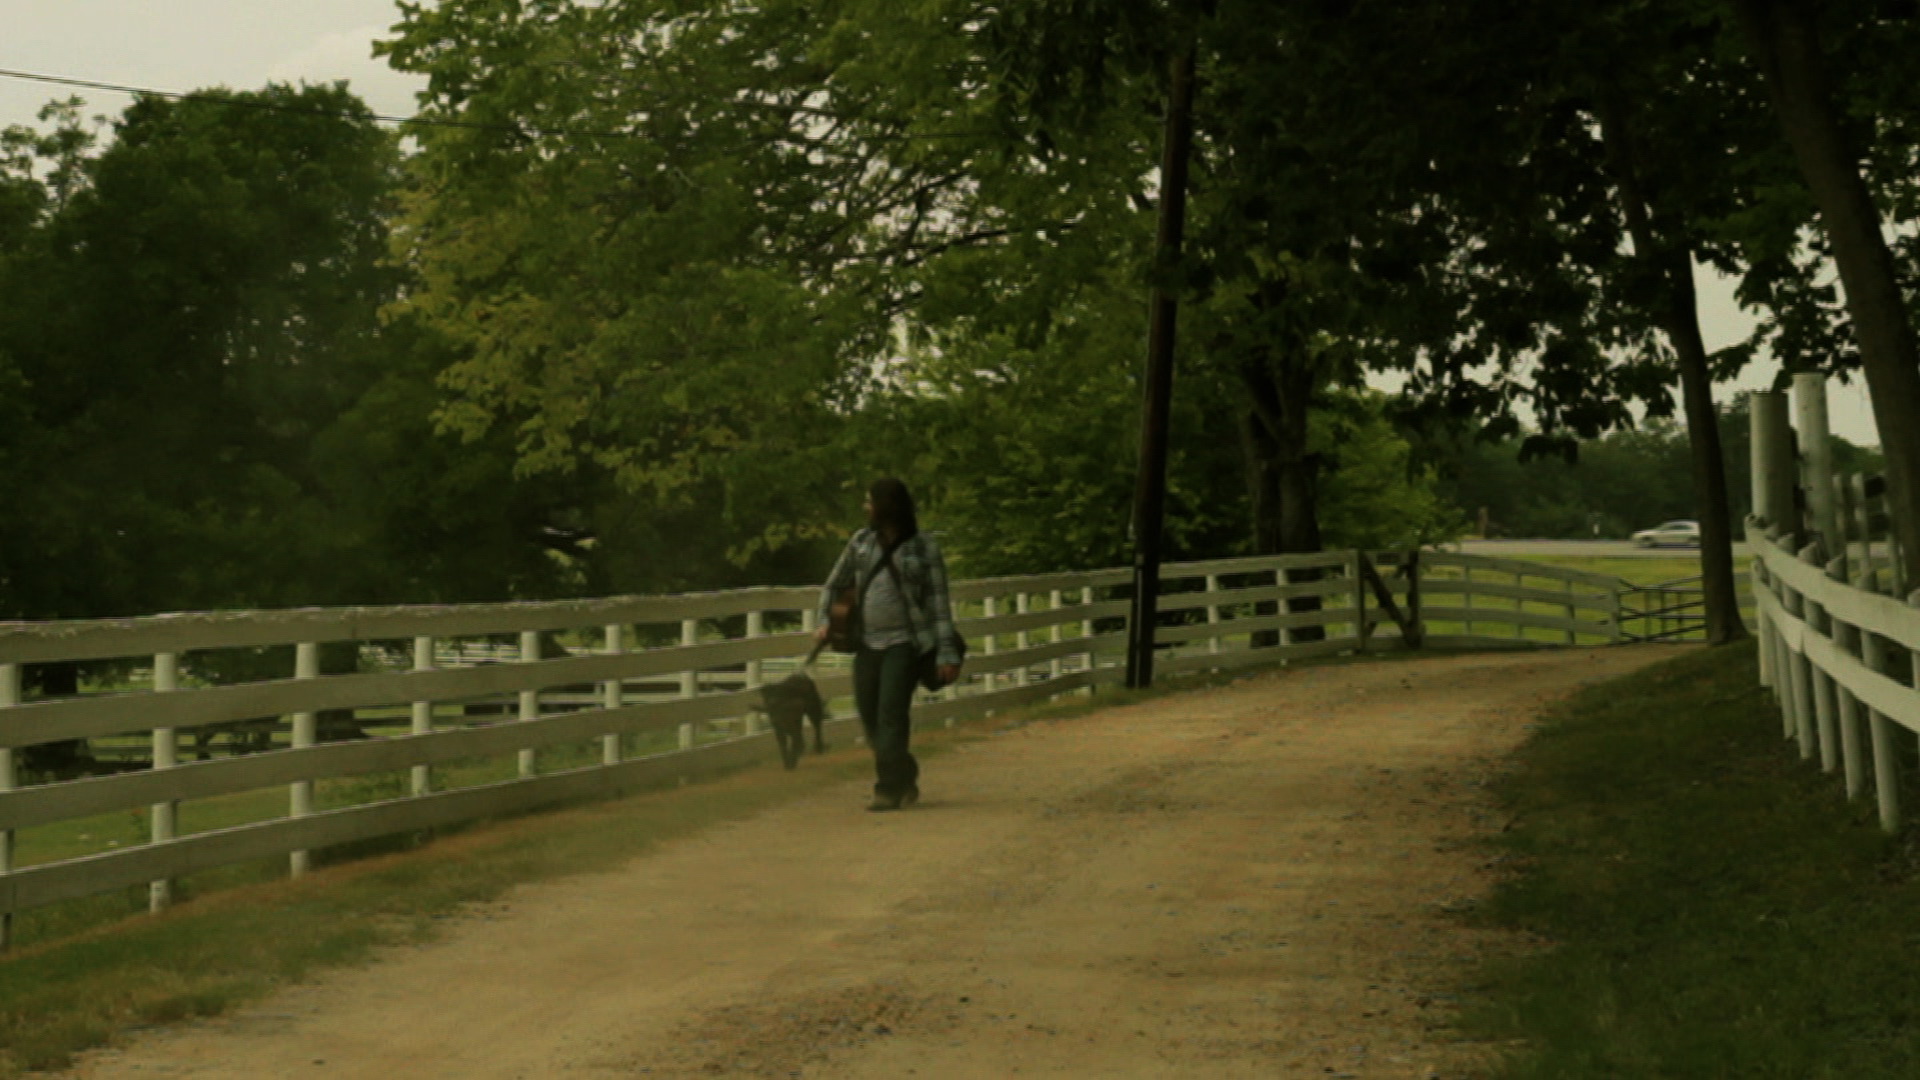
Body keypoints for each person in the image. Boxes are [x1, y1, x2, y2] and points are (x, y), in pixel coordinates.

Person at [815, 478, 962, 811]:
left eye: (870, 501)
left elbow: (939, 604)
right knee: (869, 716)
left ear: (887, 505)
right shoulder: (861, 542)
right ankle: (905, 773)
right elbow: (833, 584)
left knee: (891, 715)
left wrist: (946, 652)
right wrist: (825, 621)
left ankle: (887, 788)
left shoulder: (924, 547)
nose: (865, 508)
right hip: (867, 643)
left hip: (906, 643)